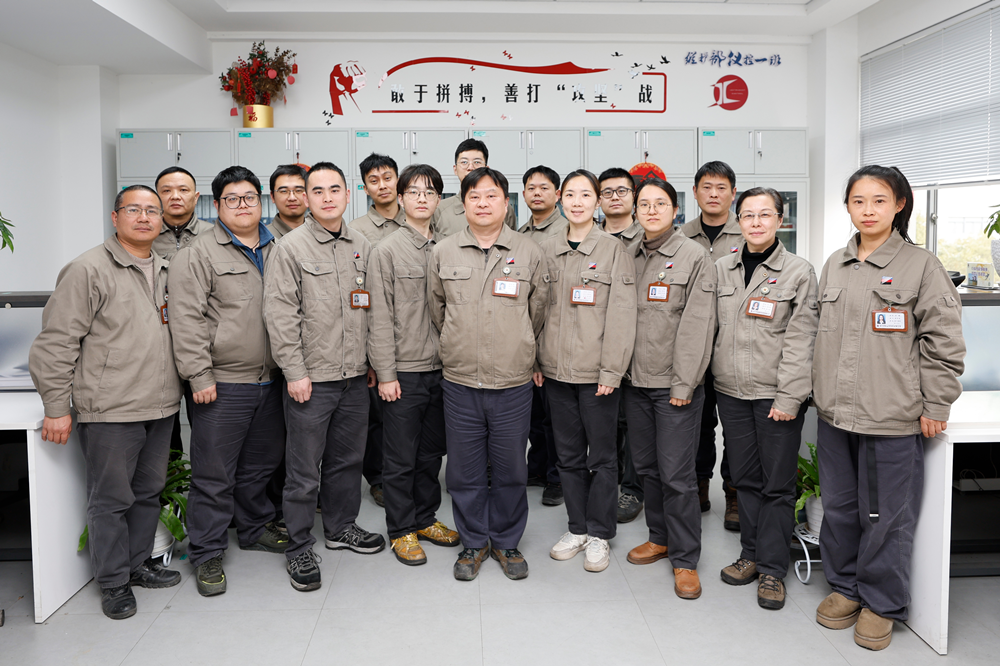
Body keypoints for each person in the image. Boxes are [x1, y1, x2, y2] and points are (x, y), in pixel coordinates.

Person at [812, 166, 965, 650]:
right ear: (848, 207)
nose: (868, 210)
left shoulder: (922, 266)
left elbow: (943, 343)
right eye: (858, 201)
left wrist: (936, 402)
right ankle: (845, 586)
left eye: (879, 200)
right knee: (839, 508)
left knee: (884, 517)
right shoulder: (835, 264)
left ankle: (882, 603)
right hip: (835, 414)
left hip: (891, 416)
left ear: (899, 204)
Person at [29, 185, 182, 619]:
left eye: (152, 211)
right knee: (111, 498)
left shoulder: (166, 267)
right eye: (134, 209)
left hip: (160, 404)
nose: (144, 217)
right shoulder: (88, 269)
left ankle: (137, 565)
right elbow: (56, 342)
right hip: (111, 407)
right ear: (115, 218)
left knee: (147, 493)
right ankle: (114, 582)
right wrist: (56, 406)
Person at [264, 162, 386, 593]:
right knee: (303, 470)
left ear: (348, 195)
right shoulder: (290, 247)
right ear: (307, 198)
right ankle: (299, 546)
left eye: (335, 189)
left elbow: (372, 309)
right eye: (318, 191)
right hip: (311, 381)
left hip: (354, 378)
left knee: (347, 462)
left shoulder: (363, 246)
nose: (327, 197)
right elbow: (280, 315)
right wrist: (294, 372)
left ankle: (340, 528)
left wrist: (374, 364)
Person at [169, 166, 288, 597]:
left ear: (261, 202)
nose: (242, 205)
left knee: (261, 465)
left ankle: (254, 527)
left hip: (271, 379)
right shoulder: (197, 254)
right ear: (217, 205)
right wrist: (199, 375)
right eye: (232, 199)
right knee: (214, 474)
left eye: (250, 197)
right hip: (222, 382)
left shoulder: (278, 248)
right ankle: (207, 551)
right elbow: (186, 319)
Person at [428, 167, 548, 581]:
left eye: (491, 195)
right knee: (464, 471)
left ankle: (507, 541)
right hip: (460, 381)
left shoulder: (528, 251)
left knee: (511, 467)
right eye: (474, 196)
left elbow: (538, 310)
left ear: (506, 202)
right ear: (463, 204)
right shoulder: (444, 252)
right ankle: (474, 542)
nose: (483, 203)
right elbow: (437, 309)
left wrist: (522, 347)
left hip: (513, 382)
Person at [712, 187, 819, 611]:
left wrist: (790, 397)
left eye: (765, 214)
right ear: (738, 220)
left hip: (776, 395)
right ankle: (751, 554)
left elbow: (802, 340)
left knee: (777, 484)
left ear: (779, 220)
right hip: (731, 392)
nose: (756, 222)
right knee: (745, 479)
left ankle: (773, 569)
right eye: (748, 215)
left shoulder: (798, 272)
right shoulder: (721, 269)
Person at [537, 169, 636, 573]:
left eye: (586, 195)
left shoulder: (612, 250)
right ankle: (577, 527)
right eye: (571, 195)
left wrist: (612, 371)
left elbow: (623, 315)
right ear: (561, 199)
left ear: (597, 202)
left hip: (597, 376)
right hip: (556, 373)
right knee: (568, 456)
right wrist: (536, 361)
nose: (577, 202)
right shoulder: (546, 248)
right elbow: (536, 309)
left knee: (603, 457)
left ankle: (600, 532)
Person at [623, 177, 716, 600]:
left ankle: (685, 558)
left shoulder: (693, 256)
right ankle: (659, 538)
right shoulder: (628, 254)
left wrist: (685, 381)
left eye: (660, 203)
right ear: (635, 210)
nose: (651, 210)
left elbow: (698, 325)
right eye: (644, 204)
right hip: (635, 383)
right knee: (647, 468)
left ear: (675, 210)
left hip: (674, 386)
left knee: (677, 475)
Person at [367, 163, 461, 565]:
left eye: (430, 192)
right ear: (401, 198)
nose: (422, 198)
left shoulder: (448, 248)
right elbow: (379, 317)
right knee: (400, 457)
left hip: (444, 370)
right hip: (404, 372)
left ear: (439, 199)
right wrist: (386, 374)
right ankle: (401, 529)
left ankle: (425, 518)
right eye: (414, 192)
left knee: (430, 455)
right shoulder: (386, 250)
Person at [681, 160, 743, 529]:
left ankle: (733, 493)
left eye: (721, 187)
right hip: (694, 347)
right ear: (695, 193)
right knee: (698, 424)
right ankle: (699, 485)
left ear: (733, 193)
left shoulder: (747, 232)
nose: (714, 194)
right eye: (707, 187)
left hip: (734, 346)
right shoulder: (682, 236)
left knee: (734, 426)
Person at [349, 152, 408, 508]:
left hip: (415, 334)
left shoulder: (418, 219)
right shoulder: (356, 230)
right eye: (374, 180)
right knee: (376, 417)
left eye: (388, 178)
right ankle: (379, 478)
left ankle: (410, 472)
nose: (383, 185)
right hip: (375, 329)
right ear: (364, 187)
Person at [519, 165, 569, 506]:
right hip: (524, 334)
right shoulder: (519, 233)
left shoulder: (566, 231)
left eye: (544, 187)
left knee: (556, 417)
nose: (537, 193)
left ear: (557, 194)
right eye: (531, 188)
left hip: (555, 335)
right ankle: (536, 467)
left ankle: (557, 477)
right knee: (533, 413)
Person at [598, 167, 644, 523]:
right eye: (607, 192)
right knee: (605, 421)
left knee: (633, 424)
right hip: (597, 344)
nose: (615, 197)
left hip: (640, 343)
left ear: (634, 197)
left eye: (622, 191)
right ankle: (605, 483)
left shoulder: (647, 237)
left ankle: (633, 488)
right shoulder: (590, 239)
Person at [430, 139, 516, 237]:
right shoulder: (439, 209)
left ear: (486, 168)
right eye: (464, 162)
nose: (470, 167)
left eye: (477, 162)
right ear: (455, 169)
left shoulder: (503, 206)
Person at [153, 166, 213, 259]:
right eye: (167, 191)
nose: (175, 196)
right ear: (156, 198)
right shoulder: (146, 234)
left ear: (196, 197)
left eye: (183, 190)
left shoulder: (213, 233)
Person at [268, 164, 309, 238]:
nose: (292, 198)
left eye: (298, 190)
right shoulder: (263, 237)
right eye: (284, 191)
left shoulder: (320, 233)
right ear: (272, 196)